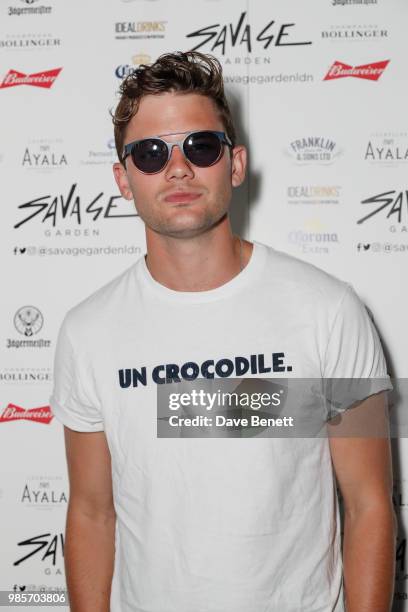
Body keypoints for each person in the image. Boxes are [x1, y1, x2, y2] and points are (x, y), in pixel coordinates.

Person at [50, 51, 397, 612]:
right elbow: (91, 511)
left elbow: (368, 505)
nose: (178, 168)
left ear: (235, 165)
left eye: (201, 147)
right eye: (151, 153)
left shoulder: (328, 309)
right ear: (123, 178)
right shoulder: (88, 330)